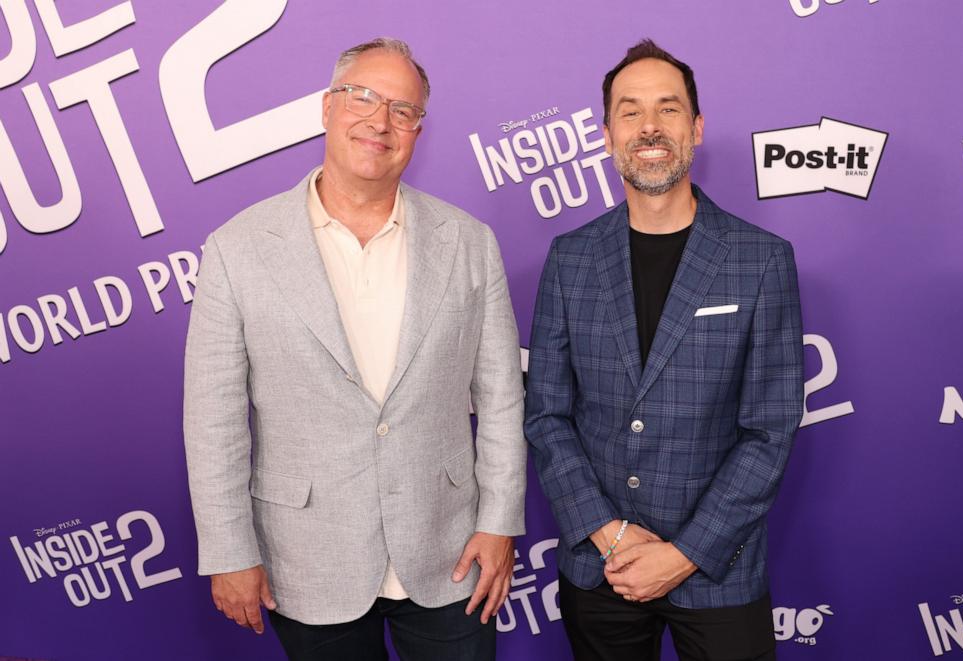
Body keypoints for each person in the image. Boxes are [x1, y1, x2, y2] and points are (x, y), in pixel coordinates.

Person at [183, 37, 526, 661]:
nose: (380, 121)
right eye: (363, 96)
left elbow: (502, 398)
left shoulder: (470, 243)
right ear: (326, 107)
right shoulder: (237, 249)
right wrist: (230, 551)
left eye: (403, 109)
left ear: (418, 130)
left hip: (450, 551)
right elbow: (214, 422)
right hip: (307, 557)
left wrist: (500, 520)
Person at [524, 39, 804, 661]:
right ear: (606, 135)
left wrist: (682, 555)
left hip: (718, 569)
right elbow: (545, 413)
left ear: (697, 127)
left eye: (668, 109)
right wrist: (609, 533)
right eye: (630, 111)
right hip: (602, 568)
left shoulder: (761, 260)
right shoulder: (570, 259)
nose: (649, 126)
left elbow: (770, 430)